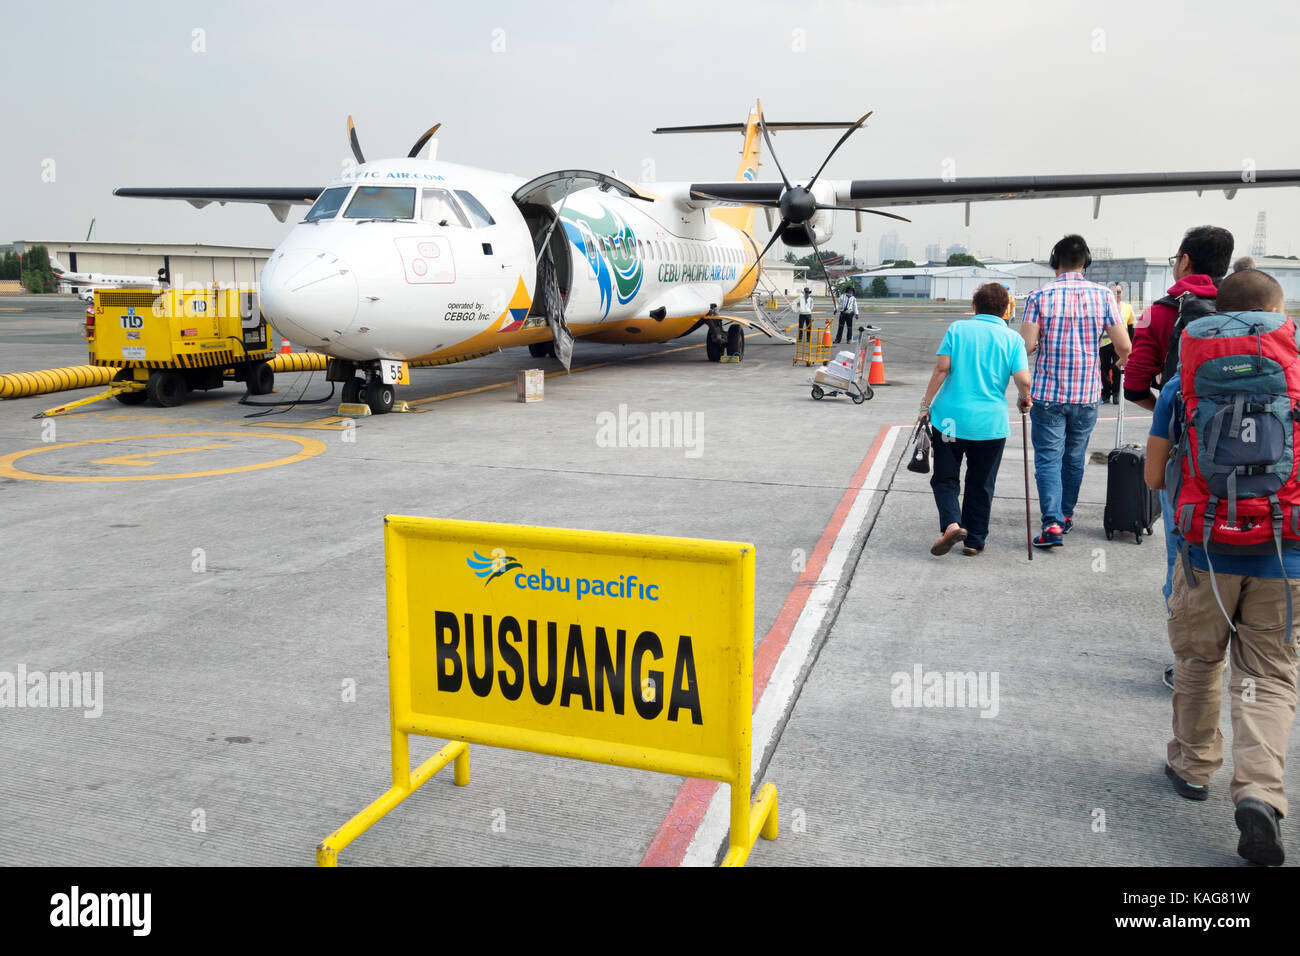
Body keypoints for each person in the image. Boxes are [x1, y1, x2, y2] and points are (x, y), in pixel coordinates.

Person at [1144, 268, 1295, 866]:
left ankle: (1194, 765)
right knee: (1270, 676)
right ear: (1277, 314)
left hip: (1205, 550)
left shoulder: (1184, 384)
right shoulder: (1297, 375)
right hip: (1289, 553)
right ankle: (1260, 793)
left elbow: (1153, 476)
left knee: (1199, 661)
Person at [1123, 226, 1233, 688]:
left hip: (1187, 462)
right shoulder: (1247, 307)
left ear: (1185, 260)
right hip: (1259, 460)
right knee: (1243, 547)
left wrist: (1171, 419)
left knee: (1182, 555)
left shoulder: (1166, 311)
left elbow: (1133, 384)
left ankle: (1188, 662)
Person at [1020, 234, 1131, 548]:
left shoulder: (1039, 296)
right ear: (1086, 263)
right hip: (1086, 394)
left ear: (1055, 263)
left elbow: (1026, 345)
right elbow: (1124, 345)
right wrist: (1119, 360)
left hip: (1048, 394)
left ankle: (1052, 523)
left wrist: (1042, 344)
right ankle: (1066, 515)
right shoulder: (1103, 296)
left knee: (1048, 459)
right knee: (1074, 457)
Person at [918, 283, 1032, 556]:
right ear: (1005, 309)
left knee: (945, 477)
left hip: (950, 422)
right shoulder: (1013, 339)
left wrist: (925, 404)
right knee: (981, 483)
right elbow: (1023, 380)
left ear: (974, 306)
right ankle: (974, 541)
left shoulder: (958, 329)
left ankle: (952, 524)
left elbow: (942, 367)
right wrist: (1023, 398)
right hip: (990, 426)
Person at [1098, 283, 1135, 404]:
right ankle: (1106, 393)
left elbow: (1131, 327)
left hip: (1119, 342)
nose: (1117, 294)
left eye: (1119, 292)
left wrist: (1131, 343)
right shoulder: (1103, 306)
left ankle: (1116, 393)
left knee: (1117, 367)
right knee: (1104, 367)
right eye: (1114, 292)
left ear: (1122, 293)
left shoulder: (1127, 307)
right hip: (1105, 342)